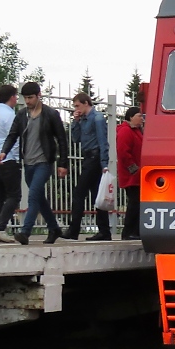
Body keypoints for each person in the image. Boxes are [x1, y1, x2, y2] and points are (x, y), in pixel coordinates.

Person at [0, 81, 68, 245]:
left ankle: (25, 232)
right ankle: (54, 228)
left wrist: (63, 163)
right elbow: (13, 135)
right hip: (28, 163)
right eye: (25, 98)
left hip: (44, 162)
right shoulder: (22, 115)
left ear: (38, 95)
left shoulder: (50, 114)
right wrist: (4, 151)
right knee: (39, 198)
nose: (27, 101)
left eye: (30, 97)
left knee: (33, 195)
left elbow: (62, 140)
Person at [64, 92, 111, 241]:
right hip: (88, 156)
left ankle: (73, 230)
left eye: (78, 105)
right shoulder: (83, 119)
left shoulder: (97, 118)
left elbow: (103, 141)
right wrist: (75, 122)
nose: (76, 108)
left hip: (94, 157)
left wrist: (104, 163)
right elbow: (76, 139)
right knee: (97, 195)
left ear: (86, 103)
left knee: (79, 193)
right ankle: (104, 231)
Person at [0, 84, 23, 243]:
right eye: (16, 96)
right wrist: (17, 158)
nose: (17, 98)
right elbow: (14, 137)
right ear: (12, 97)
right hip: (7, 158)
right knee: (14, 194)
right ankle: (0, 227)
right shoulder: (10, 115)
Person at [116, 106, 144, 240]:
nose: (142, 118)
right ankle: (128, 231)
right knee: (134, 202)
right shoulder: (126, 131)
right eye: (139, 115)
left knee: (137, 202)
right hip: (131, 174)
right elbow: (123, 152)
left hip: (136, 173)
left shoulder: (136, 131)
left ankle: (135, 230)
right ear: (131, 117)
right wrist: (133, 168)